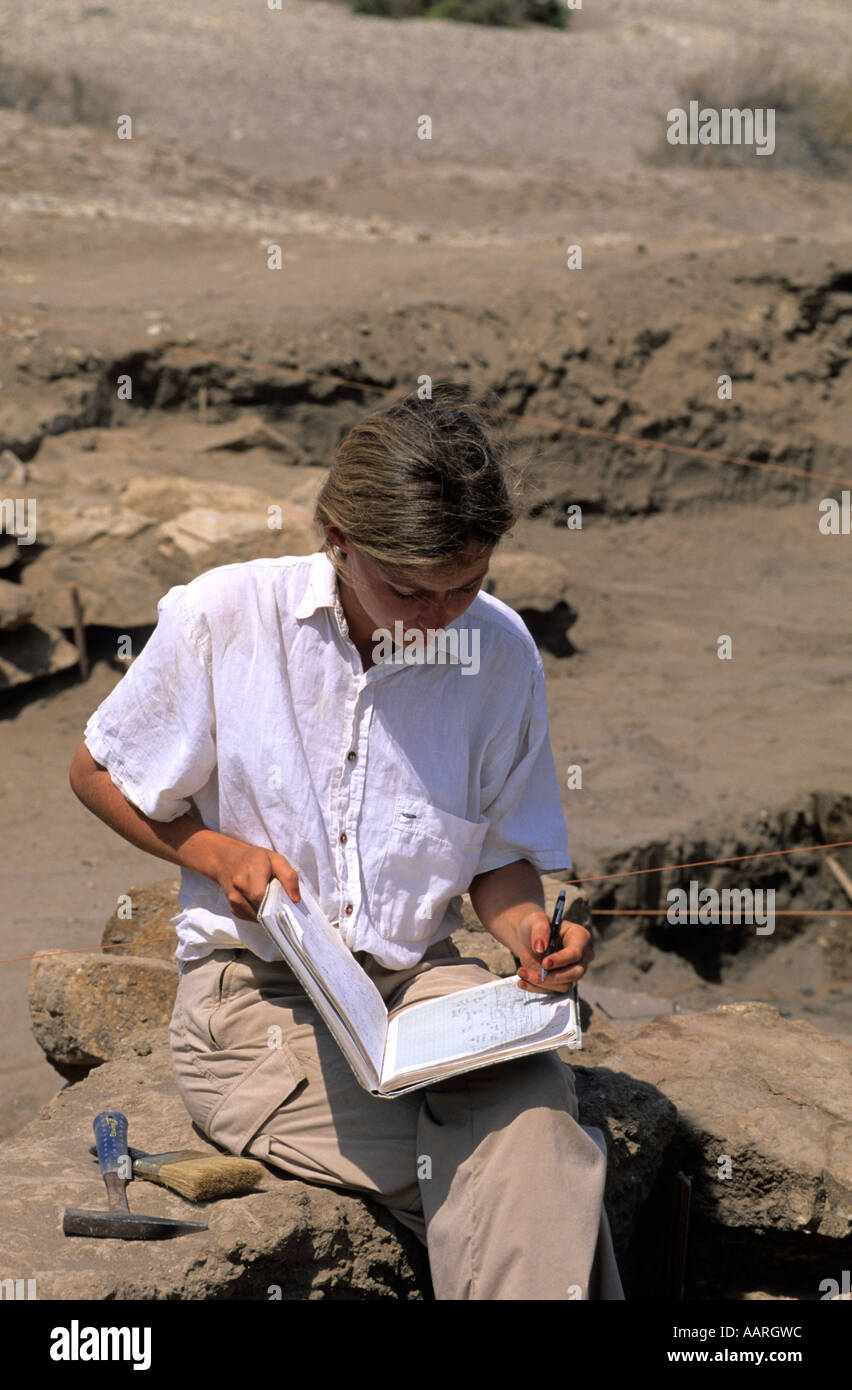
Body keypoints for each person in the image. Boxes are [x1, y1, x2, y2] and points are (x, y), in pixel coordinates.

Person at [69, 382, 624, 1301]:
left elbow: (497, 861)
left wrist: (529, 928)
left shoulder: (501, 651)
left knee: (528, 1137)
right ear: (337, 540)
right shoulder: (227, 616)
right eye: (409, 588)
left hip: (427, 990)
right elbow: (97, 770)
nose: (441, 616)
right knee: (535, 1158)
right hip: (257, 1003)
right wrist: (218, 855)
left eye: (468, 585)